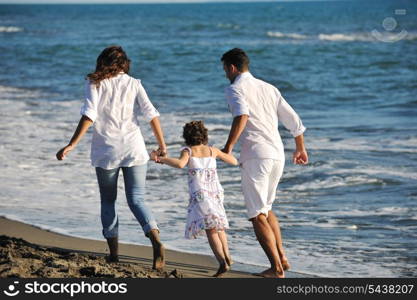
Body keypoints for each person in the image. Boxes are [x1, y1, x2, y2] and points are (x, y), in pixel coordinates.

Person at [56, 45, 166, 270]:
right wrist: (162, 144)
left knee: (108, 200)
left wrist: (72, 143)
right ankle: (155, 240)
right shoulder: (134, 83)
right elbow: (151, 114)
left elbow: (89, 115)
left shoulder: (95, 83)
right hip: (134, 148)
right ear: (124, 63)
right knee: (137, 199)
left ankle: (114, 254)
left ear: (103, 62)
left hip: (107, 150)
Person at [221, 48, 309, 278]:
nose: (225, 74)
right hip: (277, 154)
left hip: (256, 155)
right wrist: (300, 147)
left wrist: (228, 147)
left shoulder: (234, 88)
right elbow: (294, 120)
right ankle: (282, 258)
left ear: (232, 68)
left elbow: (242, 116)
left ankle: (276, 269)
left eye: (224, 69)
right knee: (267, 209)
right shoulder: (269, 88)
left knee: (256, 214)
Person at [151, 120, 238, 277]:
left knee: (211, 229)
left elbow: (180, 164)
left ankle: (222, 262)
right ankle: (228, 257)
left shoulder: (188, 151)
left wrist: (160, 159)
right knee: (219, 227)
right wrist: (223, 153)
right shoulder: (213, 150)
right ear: (204, 136)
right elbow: (233, 161)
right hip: (216, 193)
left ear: (187, 137)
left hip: (201, 195)